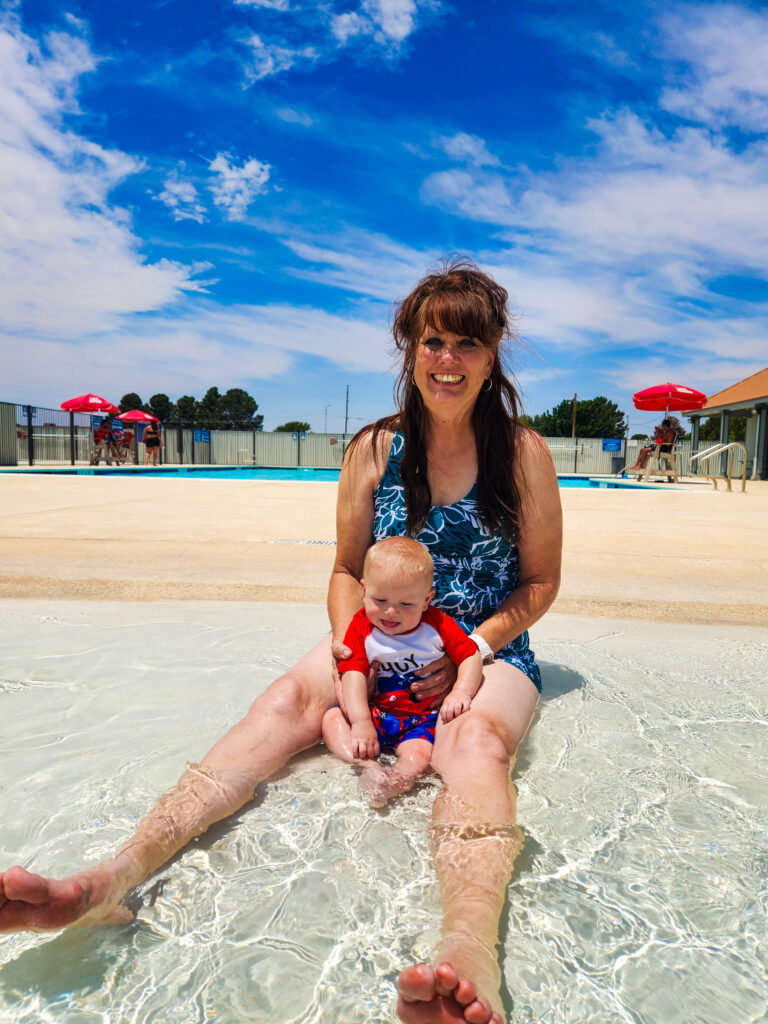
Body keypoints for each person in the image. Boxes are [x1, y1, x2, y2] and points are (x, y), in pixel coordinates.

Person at [0, 258, 562, 1024]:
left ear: (492, 353)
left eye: (467, 344)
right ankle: (107, 882)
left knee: (478, 745)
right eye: (433, 342)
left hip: (483, 650)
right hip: (378, 637)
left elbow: (538, 586)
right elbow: (342, 568)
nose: (448, 360)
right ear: (410, 350)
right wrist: (349, 648)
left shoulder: (523, 454)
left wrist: (475, 653)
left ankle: (469, 957)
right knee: (284, 701)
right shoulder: (374, 449)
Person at [322, 536, 483, 806]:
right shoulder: (361, 626)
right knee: (331, 720)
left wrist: (461, 691)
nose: (391, 611)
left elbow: (470, 656)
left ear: (427, 600)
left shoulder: (438, 625)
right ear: (363, 590)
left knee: (419, 754)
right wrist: (361, 721)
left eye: (406, 604)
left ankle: (397, 780)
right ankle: (369, 768)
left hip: (419, 720)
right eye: (380, 599)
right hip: (375, 714)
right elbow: (352, 673)